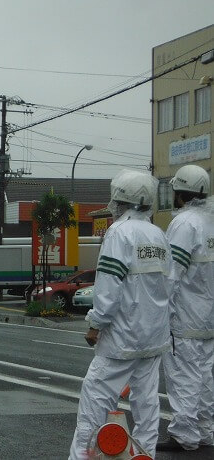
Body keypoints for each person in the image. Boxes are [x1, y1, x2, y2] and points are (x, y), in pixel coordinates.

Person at [69, 170, 172, 459]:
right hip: (154, 336)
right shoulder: (158, 235)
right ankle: (144, 454)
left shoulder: (119, 233)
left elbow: (109, 287)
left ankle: (82, 456)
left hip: (122, 337)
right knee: (147, 404)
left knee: (96, 399)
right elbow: (170, 285)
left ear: (122, 200)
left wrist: (95, 324)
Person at [157, 165, 214, 451]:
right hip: (209, 318)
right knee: (205, 376)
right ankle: (205, 431)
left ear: (179, 193)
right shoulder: (211, 221)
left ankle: (184, 434)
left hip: (185, 317)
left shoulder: (184, 224)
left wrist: (159, 313)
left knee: (184, 375)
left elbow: (171, 274)